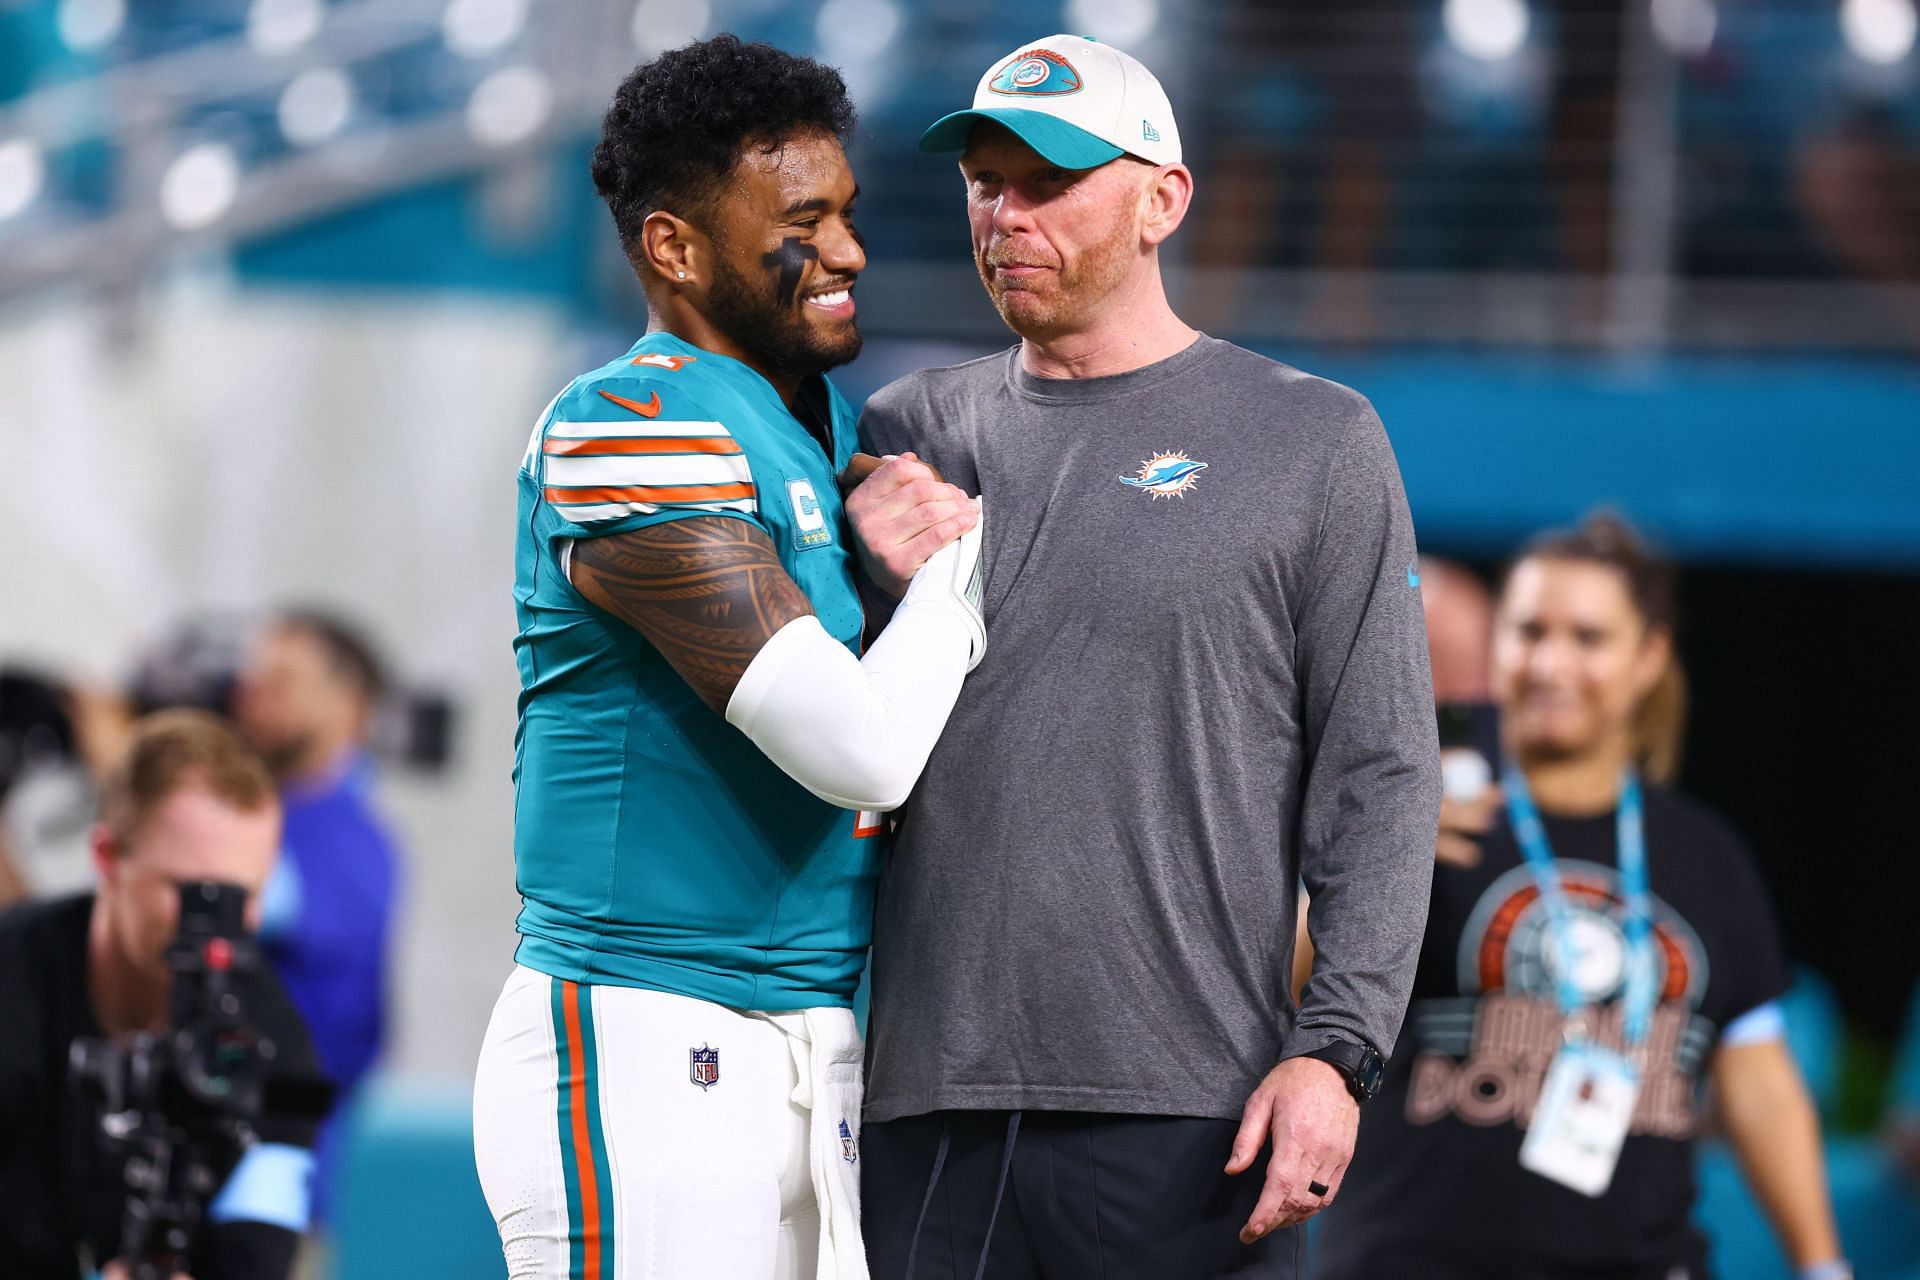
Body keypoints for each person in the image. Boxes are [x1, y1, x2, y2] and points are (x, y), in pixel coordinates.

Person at [845, 35, 1441, 1277]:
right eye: (985, 181)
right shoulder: (906, 435)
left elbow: (1381, 775)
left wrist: (1337, 1051)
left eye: (1049, 181)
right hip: (927, 1108)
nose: (1005, 213)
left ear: (1163, 198)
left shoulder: (1313, 438)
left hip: (1193, 1119)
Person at [472, 36, 986, 1280]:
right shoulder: (629, 423)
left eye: (848, 213)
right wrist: (959, 578)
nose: (852, 251)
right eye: (803, 221)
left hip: (812, 1036)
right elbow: (857, 750)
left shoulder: (815, 431)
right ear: (674, 247)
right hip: (645, 1024)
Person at [1311, 513, 1851, 1280]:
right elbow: (1283, 981)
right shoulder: (1414, 812)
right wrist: (1383, 846)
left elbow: (1756, 1074)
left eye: (1588, 638)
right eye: (1530, 631)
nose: (1551, 663)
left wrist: (1821, 1264)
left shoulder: (1707, 855)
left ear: (1650, 657)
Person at [0, 710, 326, 1280]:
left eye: (243, 895)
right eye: (191, 892)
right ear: (107, 858)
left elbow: (263, 1240)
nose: (217, 927)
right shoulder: (14, 977)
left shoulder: (281, 1047)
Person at [232, 609, 402, 1223]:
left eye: (283, 680)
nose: (253, 695)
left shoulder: (349, 841)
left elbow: (229, 896)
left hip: (265, 1199)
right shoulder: (263, 813)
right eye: (250, 678)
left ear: (350, 706)